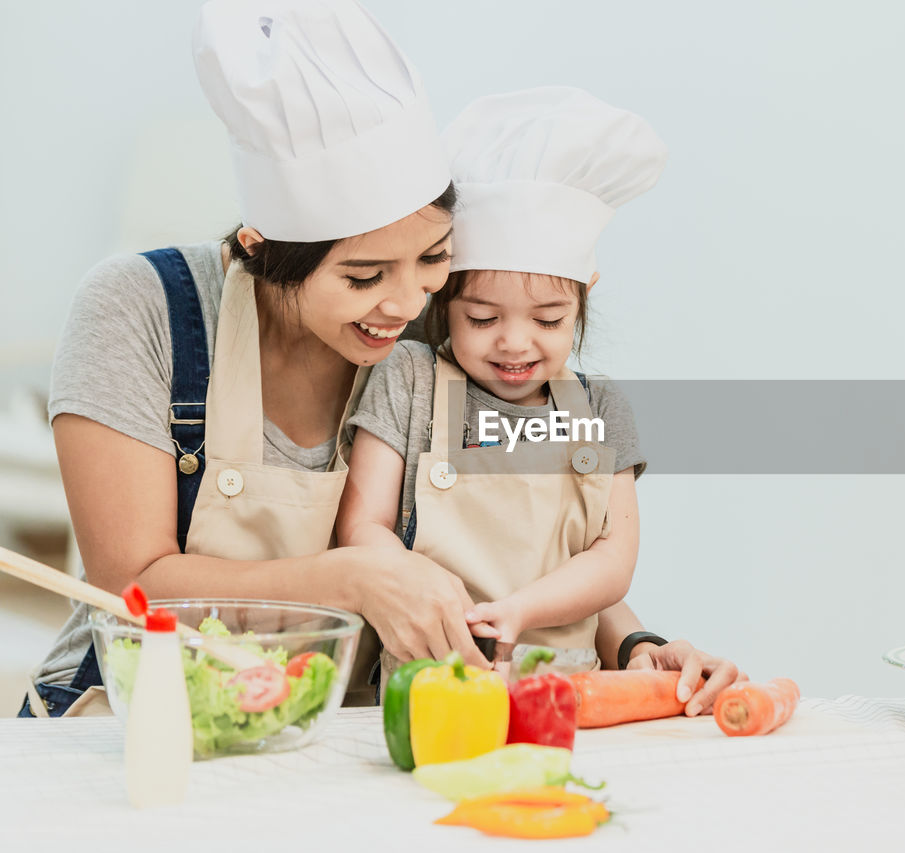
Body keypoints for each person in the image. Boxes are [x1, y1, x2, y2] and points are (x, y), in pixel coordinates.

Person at [23, 0, 738, 719]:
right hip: (135, 717)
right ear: (258, 250)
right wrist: (350, 578)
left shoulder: (451, 340)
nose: (402, 303)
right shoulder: (142, 312)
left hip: (332, 737)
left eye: (433, 259)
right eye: (363, 277)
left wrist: (637, 644)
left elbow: (528, 539)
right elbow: (133, 581)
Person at [338, 88, 656, 680]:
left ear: (583, 295)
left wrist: (517, 613)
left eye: (548, 320)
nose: (514, 342)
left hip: (567, 686)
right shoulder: (408, 379)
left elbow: (613, 560)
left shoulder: (601, 405)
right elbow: (360, 527)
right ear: (444, 301)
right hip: (429, 674)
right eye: (481, 319)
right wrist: (440, 604)